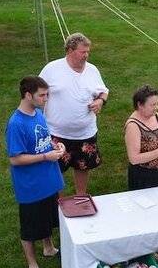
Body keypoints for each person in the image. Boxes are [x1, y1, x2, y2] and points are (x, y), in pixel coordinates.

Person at [5, 76, 66, 268]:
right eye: (42, 95)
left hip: (49, 180)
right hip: (31, 186)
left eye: (47, 94)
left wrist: (56, 147)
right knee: (30, 228)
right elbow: (15, 158)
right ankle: (32, 267)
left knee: (48, 219)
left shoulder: (38, 114)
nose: (46, 98)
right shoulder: (16, 124)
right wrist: (44, 157)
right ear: (28, 95)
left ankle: (49, 248)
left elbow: (45, 140)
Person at [39, 33, 109, 195]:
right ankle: (55, 201)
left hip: (85, 133)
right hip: (56, 133)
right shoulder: (52, 69)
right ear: (69, 50)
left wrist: (100, 102)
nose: (86, 55)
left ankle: (81, 195)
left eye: (88, 52)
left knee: (82, 166)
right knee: (54, 169)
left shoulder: (92, 70)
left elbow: (103, 91)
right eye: (82, 52)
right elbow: (37, 91)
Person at [124, 84, 158, 190]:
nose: (157, 107)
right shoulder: (133, 126)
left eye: (157, 103)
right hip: (144, 177)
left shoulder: (156, 116)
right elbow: (134, 159)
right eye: (152, 105)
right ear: (140, 105)